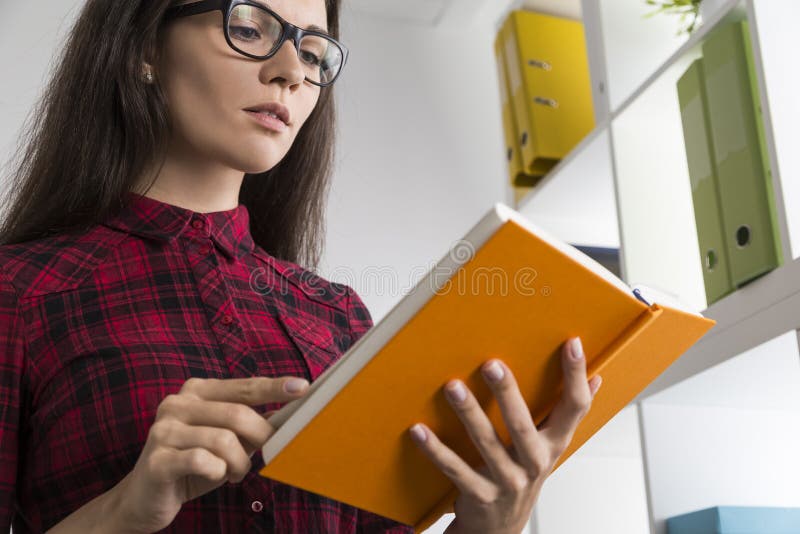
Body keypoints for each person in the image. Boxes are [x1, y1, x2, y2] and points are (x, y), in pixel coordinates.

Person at [0, 0, 602, 532]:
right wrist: (122, 512)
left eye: (313, 51)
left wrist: (492, 526)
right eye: (250, 26)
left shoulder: (338, 315)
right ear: (145, 47)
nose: (291, 72)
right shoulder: (19, 291)